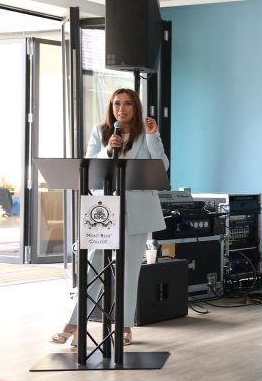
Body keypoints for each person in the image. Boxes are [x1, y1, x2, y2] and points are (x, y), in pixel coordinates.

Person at [50, 88, 169, 348]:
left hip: (138, 209)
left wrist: (153, 136)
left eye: (127, 104)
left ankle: (124, 327)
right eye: (117, 104)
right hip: (105, 210)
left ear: (136, 107)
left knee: (128, 271)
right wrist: (107, 149)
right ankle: (73, 324)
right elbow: (90, 164)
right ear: (111, 107)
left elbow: (161, 166)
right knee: (93, 266)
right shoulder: (101, 131)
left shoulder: (145, 135)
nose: (121, 109)